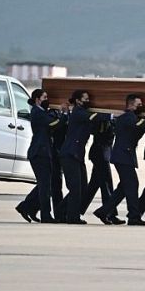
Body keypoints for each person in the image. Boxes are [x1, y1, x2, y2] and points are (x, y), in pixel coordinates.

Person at [96, 94, 145, 226]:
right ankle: (133, 216)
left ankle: (103, 211)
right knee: (132, 185)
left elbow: (138, 131)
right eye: (139, 104)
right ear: (131, 105)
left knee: (124, 187)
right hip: (123, 157)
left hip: (123, 156)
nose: (141, 106)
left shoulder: (129, 118)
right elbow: (140, 125)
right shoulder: (128, 117)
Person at [14, 89, 63, 224]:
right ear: (37, 99)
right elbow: (54, 124)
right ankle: (45, 215)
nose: (47, 99)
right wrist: (64, 114)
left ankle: (27, 207)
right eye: (45, 97)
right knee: (45, 185)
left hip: (43, 152)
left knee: (45, 184)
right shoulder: (37, 112)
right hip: (39, 153)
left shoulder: (42, 112)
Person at [57, 90, 100, 224]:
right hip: (70, 154)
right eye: (85, 99)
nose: (88, 101)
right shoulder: (78, 112)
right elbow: (93, 117)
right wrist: (112, 115)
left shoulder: (80, 113)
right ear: (78, 101)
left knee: (82, 188)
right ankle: (72, 217)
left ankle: (60, 211)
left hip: (77, 155)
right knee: (76, 188)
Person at [82, 102, 118, 224]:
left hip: (104, 154)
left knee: (93, 186)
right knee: (107, 183)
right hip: (99, 154)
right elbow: (94, 126)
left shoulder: (112, 118)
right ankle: (108, 213)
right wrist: (108, 115)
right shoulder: (100, 117)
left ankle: (72, 210)